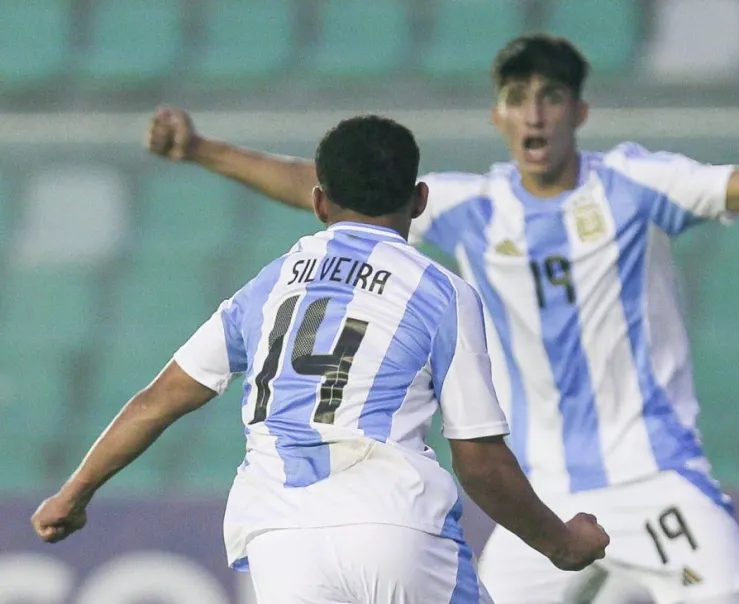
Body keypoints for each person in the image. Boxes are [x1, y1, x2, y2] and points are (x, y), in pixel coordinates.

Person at [144, 34, 739, 604]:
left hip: (654, 474)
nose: (535, 114)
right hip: (542, 493)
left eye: (550, 97)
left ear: (577, 110)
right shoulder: (472, 206)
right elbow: (324, 186)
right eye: (518, 98)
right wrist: (204, 149)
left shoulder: (633, 186)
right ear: (497, 116)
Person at [33, 115, 610, 603]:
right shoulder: (440, 292)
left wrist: (73, 494)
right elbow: (479, 459)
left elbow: (158, 401)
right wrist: (561, 543)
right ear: (419, 199)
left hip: (281, 538)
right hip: (394, 524)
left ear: (318, 201)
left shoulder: (272, 283)